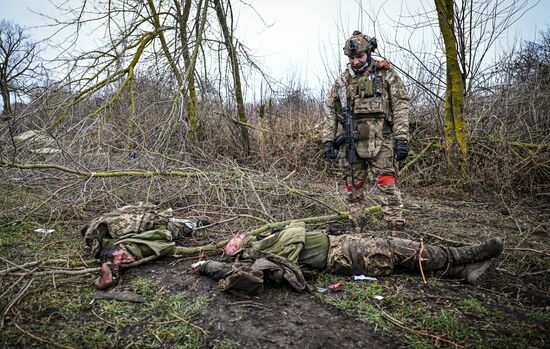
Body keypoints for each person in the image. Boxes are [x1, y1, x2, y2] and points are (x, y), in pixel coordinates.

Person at [193, 221, 504, 295]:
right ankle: (464, 255)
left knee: (399, 261)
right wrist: (207, 265)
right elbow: (241, 276)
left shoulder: (263, 238)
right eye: (229, 245)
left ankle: (465, 274)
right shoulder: (252, 257)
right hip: (341, 253)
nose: (232, 240)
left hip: (340, 244)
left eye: (232, 238)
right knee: (400, 249)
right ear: (233, 253)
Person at [321, 31, 411, 233]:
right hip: (351, 141)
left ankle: (396, 232)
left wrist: (402, 138)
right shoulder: (342, 82)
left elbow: (401, 105)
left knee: (387, 185)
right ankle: (356, 232)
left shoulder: (386, 74)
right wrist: (328, 140)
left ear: (369, 52)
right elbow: (330, 111)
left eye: (359, 57)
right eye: (351, 58)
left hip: (382, 138)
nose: (355, 61)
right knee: (353, 189)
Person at [81, 203, 202, 289]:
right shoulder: (109, 222)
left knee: (115, 251)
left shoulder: (105, 232)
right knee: (176, 228)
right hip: (139, 240)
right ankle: (195, 222)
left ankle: (112, 267)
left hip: (130, 243)